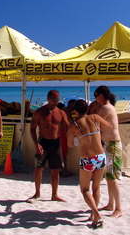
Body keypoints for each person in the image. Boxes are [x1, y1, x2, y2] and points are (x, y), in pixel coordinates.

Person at [67, 99, 111, 229]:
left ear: (75, 111)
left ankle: (96, 214)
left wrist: (77, 139)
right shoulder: (95, 117)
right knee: (96, 188)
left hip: (87, 159)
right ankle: (93, 214)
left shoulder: (74, 125)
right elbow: (108, 126)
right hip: (100, 156)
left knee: (85, 189)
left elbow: (69, 144)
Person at [28, 90, 69, 202]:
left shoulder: (61, 112)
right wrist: (36, 144)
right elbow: (32, 128)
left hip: (55, 143)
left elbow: (68, 127)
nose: (56, 101)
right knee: (38, 168)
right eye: (54, 99)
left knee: (55, 170)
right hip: (43, 142)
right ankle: (37, 193)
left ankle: (54, 195)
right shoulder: (40, 112)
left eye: (57, 99)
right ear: (49, 98)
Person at [91, 85, 123, 217]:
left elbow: (93, 121)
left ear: (101, 95)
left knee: (113, 178)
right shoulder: (107, 107)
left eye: (96, 96)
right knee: (109, 177)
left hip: (113, 145)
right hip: (109, 145)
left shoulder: (105, 108)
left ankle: (119, 208)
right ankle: (111, 204)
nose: (95, 99)